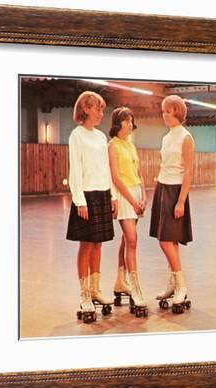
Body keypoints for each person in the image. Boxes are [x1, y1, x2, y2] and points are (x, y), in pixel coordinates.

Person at [66, 91, 117, 323]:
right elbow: (75, 169)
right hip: (85, 194)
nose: (101, 113)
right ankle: (84, 294)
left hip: (103, 192)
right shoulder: (76, 136)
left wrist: (113, 195)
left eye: (102, 110)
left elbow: (106, 168)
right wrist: (79, 200)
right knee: (86, 245)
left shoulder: (100, 137)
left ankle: (96, 289)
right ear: (86, 109)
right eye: (98, 109)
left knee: (98, 244)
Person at [149, 95, 195, 314]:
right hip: (163, 187)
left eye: (168, 111)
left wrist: (181, 201)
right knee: (169, 241)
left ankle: (181, 285)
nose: (164, 114)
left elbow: (189, 171)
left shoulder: (186, 138)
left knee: (166, 241)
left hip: (176, 190)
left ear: (178, 112)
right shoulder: (167, 137)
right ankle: (173, 283)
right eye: (163, 111)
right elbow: (164, 165)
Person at [108, 107, 148, 318]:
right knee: (132, 240)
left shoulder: (131, 145)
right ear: (118, 123)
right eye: (126, 120)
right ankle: (136, 287)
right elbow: (115, 177)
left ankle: (120, 282)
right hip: (124, 196)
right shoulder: (112, 146)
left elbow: (138, 172)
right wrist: (132, 200)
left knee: (126, 241)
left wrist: (143, 193)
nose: (130, 124)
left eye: (131, 120)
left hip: (135, 193)